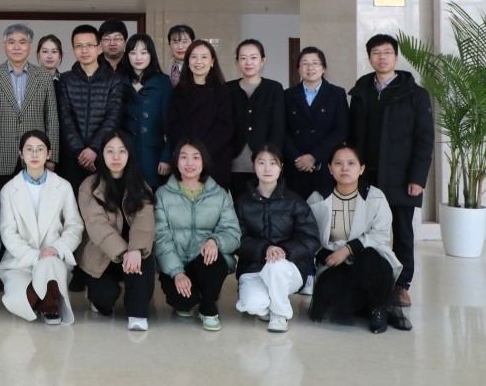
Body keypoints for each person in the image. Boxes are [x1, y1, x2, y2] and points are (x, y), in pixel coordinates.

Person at [348, 34, 434, 308]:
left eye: (387, 52)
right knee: (363, 229)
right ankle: (366, 280)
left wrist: (417, 178)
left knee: (402, 232)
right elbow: (352, 136)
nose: (382, 57)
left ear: (396, 57)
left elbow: (424, 140)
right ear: (369, 58)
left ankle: (402, 285)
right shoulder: (360, 92)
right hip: (366, 175)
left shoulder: (415, 94)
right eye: (376, 52)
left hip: (401, 176)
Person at [306, 144, 412, 333]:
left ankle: (377, 309)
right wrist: (324, 255)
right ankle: (361, 305)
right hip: (334, 261)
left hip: (371, 260)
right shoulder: (318, 198)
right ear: (330, 168)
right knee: (333, 295)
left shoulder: (375, 197)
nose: (344, 168)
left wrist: (348, 249)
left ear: (361, 168)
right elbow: (307, 233)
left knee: (369, 258)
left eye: (351, 163)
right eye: (338, 163)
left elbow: (381, 234)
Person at [0, 130, 84, 325]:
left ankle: (49, 301)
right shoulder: (9, 190)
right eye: (29, 149)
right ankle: (45, 296)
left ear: (49, 154)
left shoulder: (63, 186)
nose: (34, 154)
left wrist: (56, 249)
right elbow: (8, 233)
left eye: (40, 149)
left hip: (53, 259)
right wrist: (35, 256)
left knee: (49, 265)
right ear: (21, 154)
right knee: (21, 303)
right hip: (20, 262)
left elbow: (74, 226)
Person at [154, 138, 241, 331]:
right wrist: (177, 272)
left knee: (211, 260)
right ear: (176, 162)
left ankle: (209, 309)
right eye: (184, 157)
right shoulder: (162, 194)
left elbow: (233, 232)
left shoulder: (219, 194)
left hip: (207, 263)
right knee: (183, 304)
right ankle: (198, 295)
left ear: (204, 161)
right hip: (178, 264)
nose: (190, 163)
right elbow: (161, 238)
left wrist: (215, 241)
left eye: (196, 157)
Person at [233, 144, 319, 333]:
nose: (267, 168)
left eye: (273, 163)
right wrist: (265, 249)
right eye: (261, 162)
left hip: (288, 269)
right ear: (254, 166)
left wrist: (284, 251)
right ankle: (269, 305)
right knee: (254, 305)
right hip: (253, 268)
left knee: (275, 265)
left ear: (281, 167)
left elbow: (311, 238)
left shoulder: (294, 201)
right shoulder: (242, 202)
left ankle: (280, 315)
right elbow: (236, 239)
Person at [77, 131, 156, 331]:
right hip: (102, 253)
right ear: (102, 154)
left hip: (134, 253)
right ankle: (97, 297)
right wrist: (124, 252)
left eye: (122, 151)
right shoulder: (89, 186)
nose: (116, 157)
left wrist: (135, 249)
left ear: (129, 155)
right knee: (104, 300)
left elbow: (144, 222)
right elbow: (97, 225)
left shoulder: (141, 186)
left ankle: (137, 313)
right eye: (110, 151)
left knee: (142, 258)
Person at [0, 24, 60, 188]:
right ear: (5, 46)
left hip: (36, 155)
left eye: (22, 42)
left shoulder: (44, 77)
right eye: (11, 42)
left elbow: (51, 118)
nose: (17, 47)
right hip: (0, 157)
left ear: (30, 46)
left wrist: (51, 157)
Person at [56, 24, 122, 193]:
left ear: (99, 48)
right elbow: (64, 118)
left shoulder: (114, 80)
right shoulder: (65, 80)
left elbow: (113, 117)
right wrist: (80, 152)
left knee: (102, 202)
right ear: (73, 50)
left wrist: (94, 149)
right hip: (72, 158)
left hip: (103, 155)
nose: (84, 50)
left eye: (89, 45)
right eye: (79, 46)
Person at [166, 40, 233, 189]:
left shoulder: (222, 92)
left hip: (214, 159)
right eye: (194, 57)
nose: (198, 61)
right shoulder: (178, 91)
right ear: (188, 62)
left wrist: (200, 153)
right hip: (186, 161)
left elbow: (224, 128)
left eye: (204, 57)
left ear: (212, 62)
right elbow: (173, 125)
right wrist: (188, 153)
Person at [283, 46, 348, 201]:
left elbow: (341, 130)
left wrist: (314, 156)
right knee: (295, 210)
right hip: (295, 165)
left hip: (324, 164)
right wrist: (297, 158)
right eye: (305, 63)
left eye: (315, 63)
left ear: (323, 68)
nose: (310, 68)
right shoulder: (287, 95)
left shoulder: (337, 94)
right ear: (298, 69)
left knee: (323, 211)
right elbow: (281, 130)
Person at [228, 39, 285, 201]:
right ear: (237, 62)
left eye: (253, 57)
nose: (248, 62)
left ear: (262, 61)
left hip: (265, 164)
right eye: (243, 58)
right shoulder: (227, 88)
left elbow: (278, 127)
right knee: (240, 206)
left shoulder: (274, 88)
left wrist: (273, 160)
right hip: (235, 162)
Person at [122, 33, 173, 190]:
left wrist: (167, 157)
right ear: (127, 55)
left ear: (151, 55)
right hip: (125, 153)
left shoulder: (163, 82)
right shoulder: (118, 81)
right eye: (133, 53)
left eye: (144, 52)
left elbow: (171, 124)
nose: (138, 57)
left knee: (153, 198)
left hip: (154, 155)